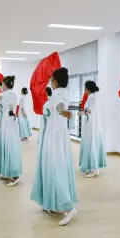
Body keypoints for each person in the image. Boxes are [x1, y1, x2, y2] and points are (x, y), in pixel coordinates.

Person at [31, 67, 78, 226]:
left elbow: (60, 107)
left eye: (51, 79)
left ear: (55, 81)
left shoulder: (59, 96)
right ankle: (52, 202)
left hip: (54, 137)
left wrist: (63, 112)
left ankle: (69, 207)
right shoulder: (59, 94)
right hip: (54, 136)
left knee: (55, 168)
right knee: (52, 168)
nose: (50, 82)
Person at [0, 76, 22, 186]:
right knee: (5, 145)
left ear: (5, 84)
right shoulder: (9, 93)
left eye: (2, 84)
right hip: (6, 121)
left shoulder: (6, 94)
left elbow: (7, 105)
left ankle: (15, 175)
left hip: (7, 122)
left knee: (9, 145)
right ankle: (6, 171)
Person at [79, 80, 107, 177]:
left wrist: (81, 113)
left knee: (91, 144)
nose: (84, 90)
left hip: (91, 125)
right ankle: (93, 167)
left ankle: (94, 169)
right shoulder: (95, 96)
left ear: (88, 89)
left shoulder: (91, 98)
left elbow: (90, 111)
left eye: (85, 88)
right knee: (93, 143)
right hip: (93, 124)